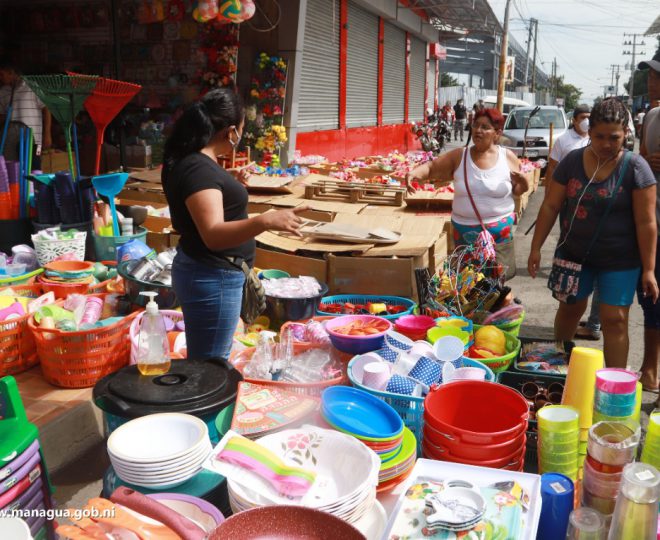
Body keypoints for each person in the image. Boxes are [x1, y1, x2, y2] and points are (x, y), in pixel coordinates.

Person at [162, 88, 309, 360]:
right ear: (230, 132)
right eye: (241, 130)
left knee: (207, 358)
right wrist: (265, 220)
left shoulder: (196, 163)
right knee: (211, 363)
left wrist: (227, 180)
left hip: (207, 273)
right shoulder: (199, 170)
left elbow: (204, 190)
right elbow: (213, 234)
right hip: (212, 277)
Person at [528, 98, 658, 369]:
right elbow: (551, 205)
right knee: (570, 310)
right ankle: (557, 371)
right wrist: (535, 247)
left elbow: (646, 222)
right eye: (599, 136)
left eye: (614, 138)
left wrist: (649, 269)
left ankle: (613, 385)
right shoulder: (572, 162)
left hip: (620, 261)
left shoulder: (636, 168)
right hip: (573, 255)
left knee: (615, 319)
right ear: (590, 132)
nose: (606, 144)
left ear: (626, 134)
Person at [405, 108, 529, 252]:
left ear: (497, 133)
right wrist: (414, 173)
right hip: (464, 238)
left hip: (500, 238)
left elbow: (517, 190)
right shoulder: (459, 156)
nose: (478, 130)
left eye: (485, 127)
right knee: (466, 268)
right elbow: (432, 167)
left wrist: (524, 184)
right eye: (476, 125)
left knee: (499, 268)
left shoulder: (507, 157)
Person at [546, 104, 601, 341]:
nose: (586, 121)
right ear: (574, 120)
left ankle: (594, 323)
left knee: (600, 278)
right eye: (583, 117)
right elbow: (552, 170)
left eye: (590, 117)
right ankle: (564, 342)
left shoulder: (602, 144)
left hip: (600, 222)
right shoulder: (564, 141)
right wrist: (550, 200)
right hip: (570, 210)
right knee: (572, 278)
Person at [637, 50, 660, 395]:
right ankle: (650, 370)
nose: (652, 80)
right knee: (651, 297)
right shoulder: (652, 116)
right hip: (652, 220)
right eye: (651, 74)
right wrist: (645, 160)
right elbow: (640, 160)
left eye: (658, 75)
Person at [0, 57, 52, 168]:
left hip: (34, 139)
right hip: (10, 141)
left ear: (11, 72)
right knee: (13, 170)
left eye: (2, 74)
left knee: (34, 169)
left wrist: (47, 134)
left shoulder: (32, 86)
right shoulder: (3, 92)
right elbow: (2, 117)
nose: (0, 78)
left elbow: (46, 109)